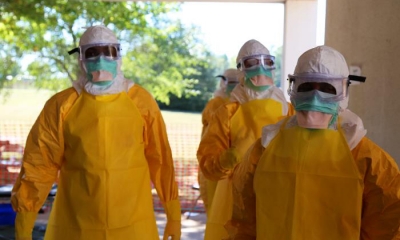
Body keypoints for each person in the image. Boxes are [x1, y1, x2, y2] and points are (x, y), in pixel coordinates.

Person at [11, 25, 181, 240]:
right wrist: (24, 223)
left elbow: (161, 160)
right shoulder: (61, 105)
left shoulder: (141, 101)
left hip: (132, 223)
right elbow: (39, 165)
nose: (101, 60)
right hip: (76, 224)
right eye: (92, 53)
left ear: (118, 55)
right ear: (80, 58)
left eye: (108, 52)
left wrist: (173, 215)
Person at [228, 45, 400, 239]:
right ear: (293, 88)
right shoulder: (264, 149)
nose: (315, 97)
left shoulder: (370, 160)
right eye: (306, 87)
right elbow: (244, 220)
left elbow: (387, 226)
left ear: (343, 91)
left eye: (327, 88)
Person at [197, 39, 295, 240]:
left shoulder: (289, 110)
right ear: (241, 70)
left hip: (278, 192)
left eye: (266, 62)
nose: (260, 69)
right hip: (233, 197)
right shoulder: (227, 112)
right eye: (251, 64)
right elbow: (208, 163)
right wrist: (226, 160)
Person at [198, 69, 240, 215]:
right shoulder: (217, 104)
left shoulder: (234, 105)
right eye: (231, 83)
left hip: (228, 166)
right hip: (215, 165)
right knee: (215, 211)